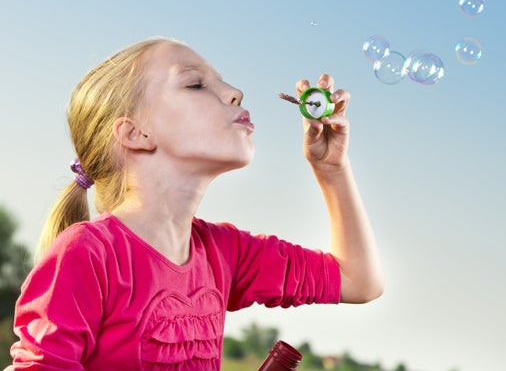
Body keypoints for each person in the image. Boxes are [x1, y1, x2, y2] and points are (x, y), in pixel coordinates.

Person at [4, 37, 384, 370]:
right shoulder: (90, 255)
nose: (235, 91)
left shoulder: (225, 253)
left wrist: (332, 169)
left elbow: (359, 281)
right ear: (135, 133)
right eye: (196, 83)